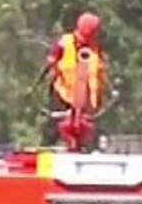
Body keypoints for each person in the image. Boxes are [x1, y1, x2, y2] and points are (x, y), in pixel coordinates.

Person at [41, 12, 107, 146]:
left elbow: (99, 73)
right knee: (55, 128)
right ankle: (50, 144)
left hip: (87, 103)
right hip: (63, 96)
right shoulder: (65, 43)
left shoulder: (95, 49)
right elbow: (51, 61)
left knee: (87, 133)